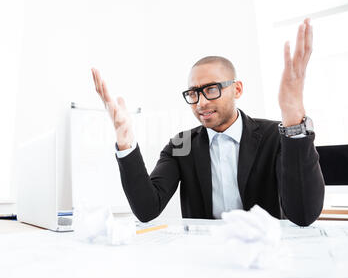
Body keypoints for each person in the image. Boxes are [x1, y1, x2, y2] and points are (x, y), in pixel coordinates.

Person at [91, 18, 324, 227]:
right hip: (204, 258)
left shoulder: (274, 135)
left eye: (211, 89)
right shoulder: (182, 143)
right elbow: (147, 209)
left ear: (237, 89)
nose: (200, 102)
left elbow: (303, 215)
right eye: (193, 93)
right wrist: (125, 142)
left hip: (264, 254)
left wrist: (293, 118)